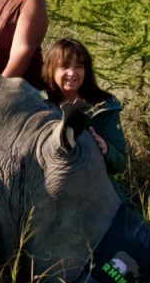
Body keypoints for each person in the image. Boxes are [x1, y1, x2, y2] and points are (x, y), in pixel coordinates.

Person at [42, 38, 129, 192]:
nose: (72, 73)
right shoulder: (39, 105)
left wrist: (106, 149)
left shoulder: (104, 106)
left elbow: (120, 164)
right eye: (64, 66)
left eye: (79, 66)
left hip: (96, 193)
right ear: (51, 69)